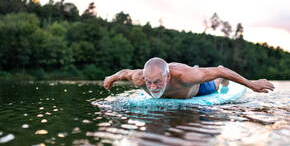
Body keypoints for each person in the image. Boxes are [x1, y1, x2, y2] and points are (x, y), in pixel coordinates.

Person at [103, 57, 274, 99]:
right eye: (149, 83)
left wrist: (252, 84)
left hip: (198, 90)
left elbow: (220, 71)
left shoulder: (184, 77)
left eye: (157, 82)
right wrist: (111, 77)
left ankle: (213, 79)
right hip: (189, 76)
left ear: (167, 76)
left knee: (215, 77)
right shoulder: (139, 77)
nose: (153, 88)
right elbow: (124, 73)